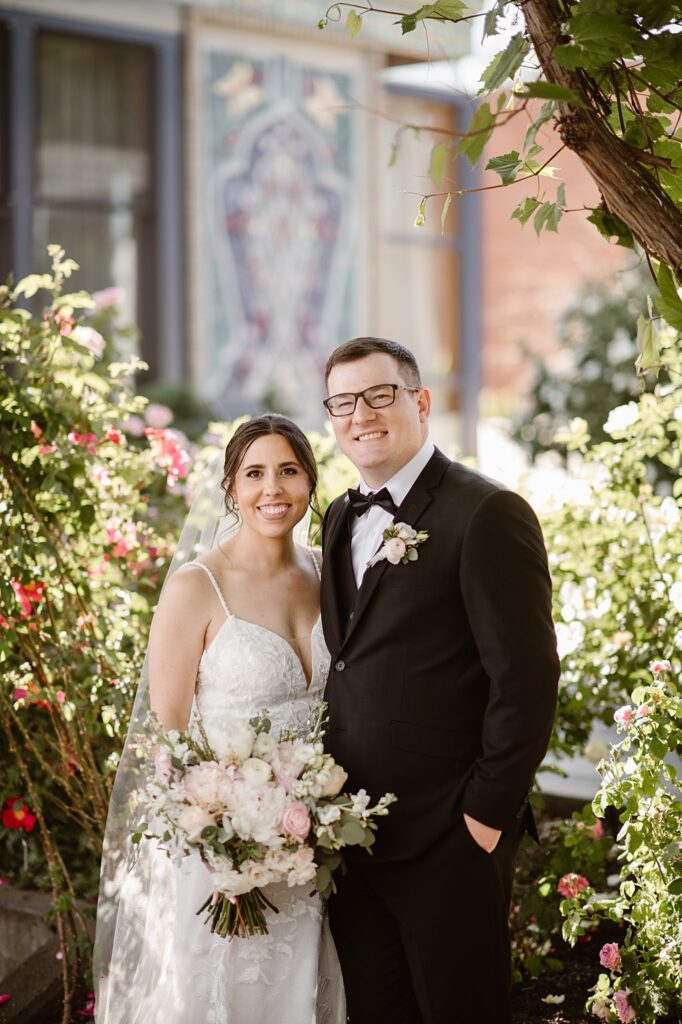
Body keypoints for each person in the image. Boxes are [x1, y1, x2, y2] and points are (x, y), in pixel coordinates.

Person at [320, 338, 560, 1024]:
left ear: (420, 403)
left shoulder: (486, 513)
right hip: (353, 837)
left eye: (379, 395)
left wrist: (483, 819)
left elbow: (527, 679)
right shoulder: (339, 516)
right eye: (342, 402)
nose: (360, 414)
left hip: (447, 840)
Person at [94, 414, 344, 1024]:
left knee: (303, 991)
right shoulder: (196, 586)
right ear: (230, 487)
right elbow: (168, 735)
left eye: (289, 471)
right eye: (254, 473)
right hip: (220, 855)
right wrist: (223, 841)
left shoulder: (328, 574)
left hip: (314, 843)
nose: (273, 489)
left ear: (310, 482)